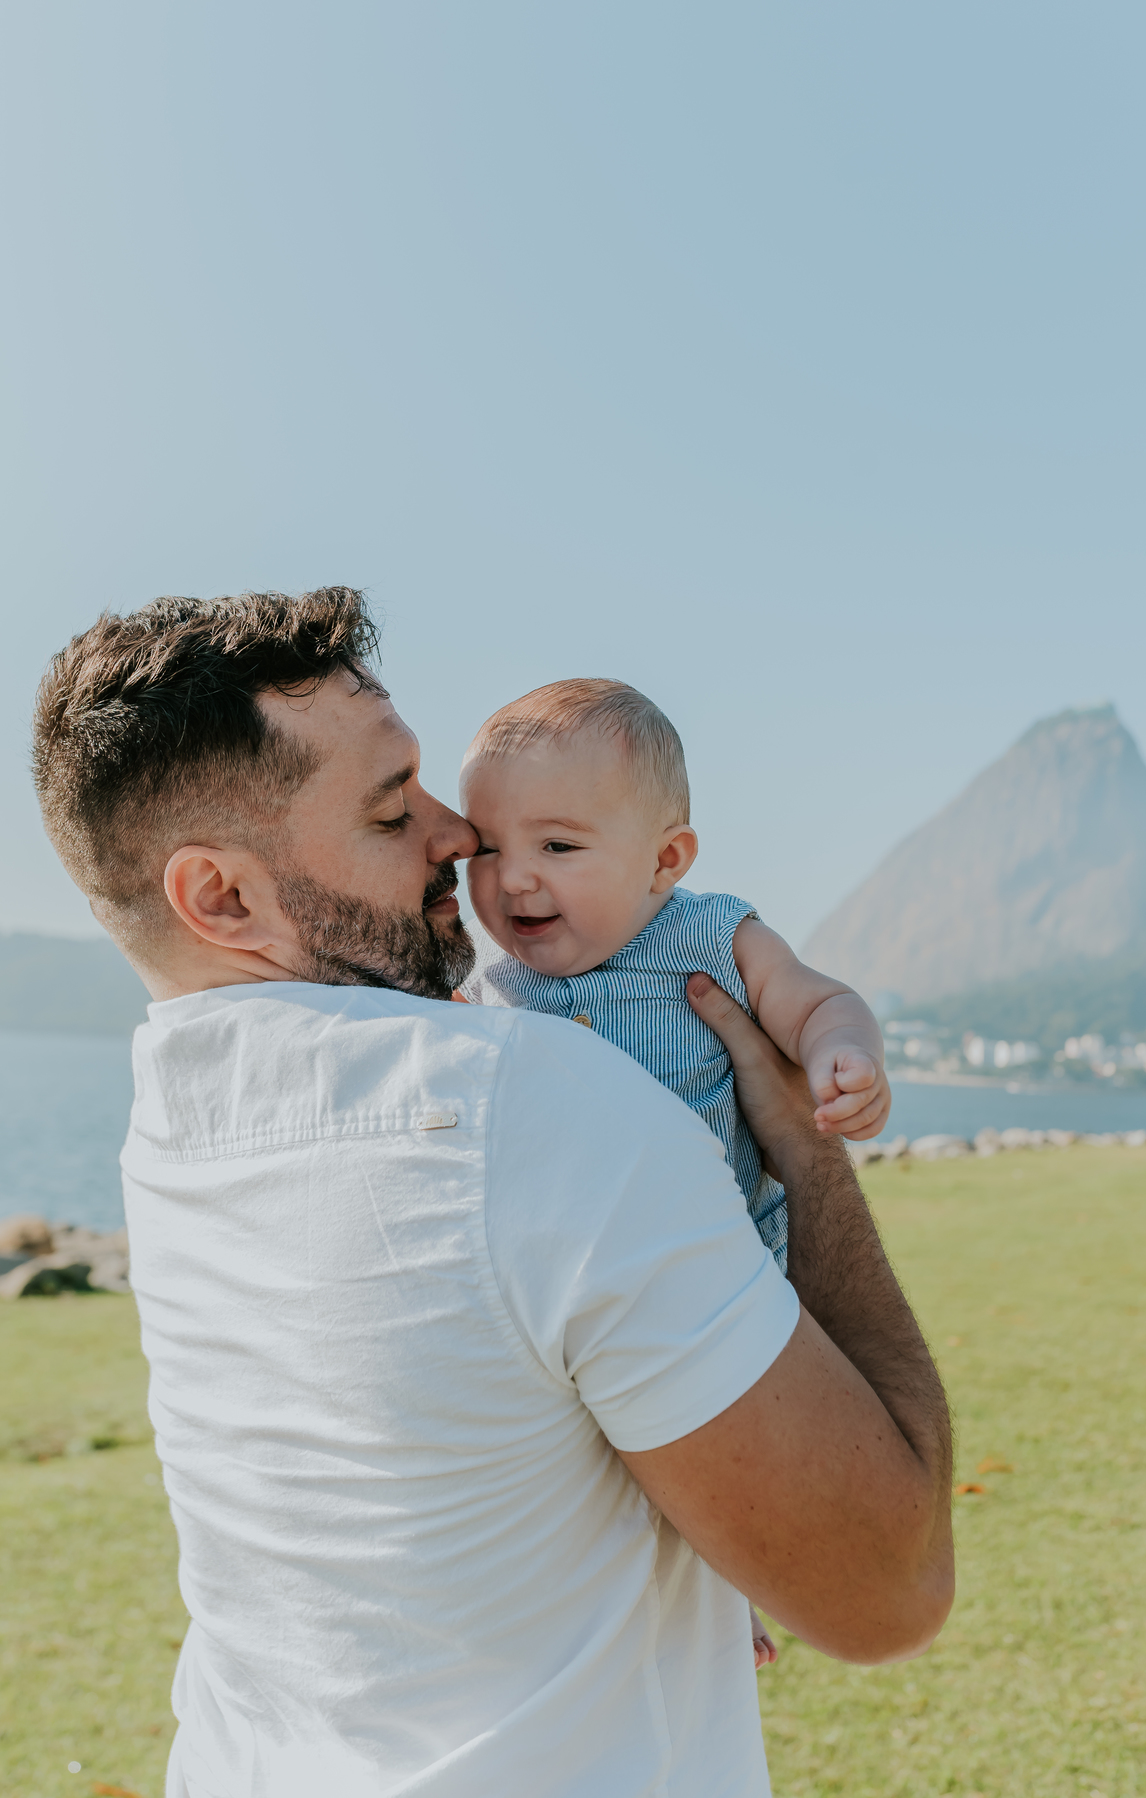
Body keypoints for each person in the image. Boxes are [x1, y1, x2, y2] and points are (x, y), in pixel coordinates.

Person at [32, 588, 954, 1798]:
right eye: (388, 806)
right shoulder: (534, 1105)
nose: (461, 833)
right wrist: (808, 1155)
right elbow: (888, 1588)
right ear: (221, 898)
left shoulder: (172, 1127)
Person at [459, 679, 891, 1667]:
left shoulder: (709, 937)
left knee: (736, 1450)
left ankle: (735, 1585)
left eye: (557, 848)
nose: (514, 879)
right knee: (598, 1460)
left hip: (730, 1264)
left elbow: (817, 998)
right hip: (576, 1281)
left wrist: (844, 1054)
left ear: (666, 858)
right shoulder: (492, 988)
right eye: (486, 847)